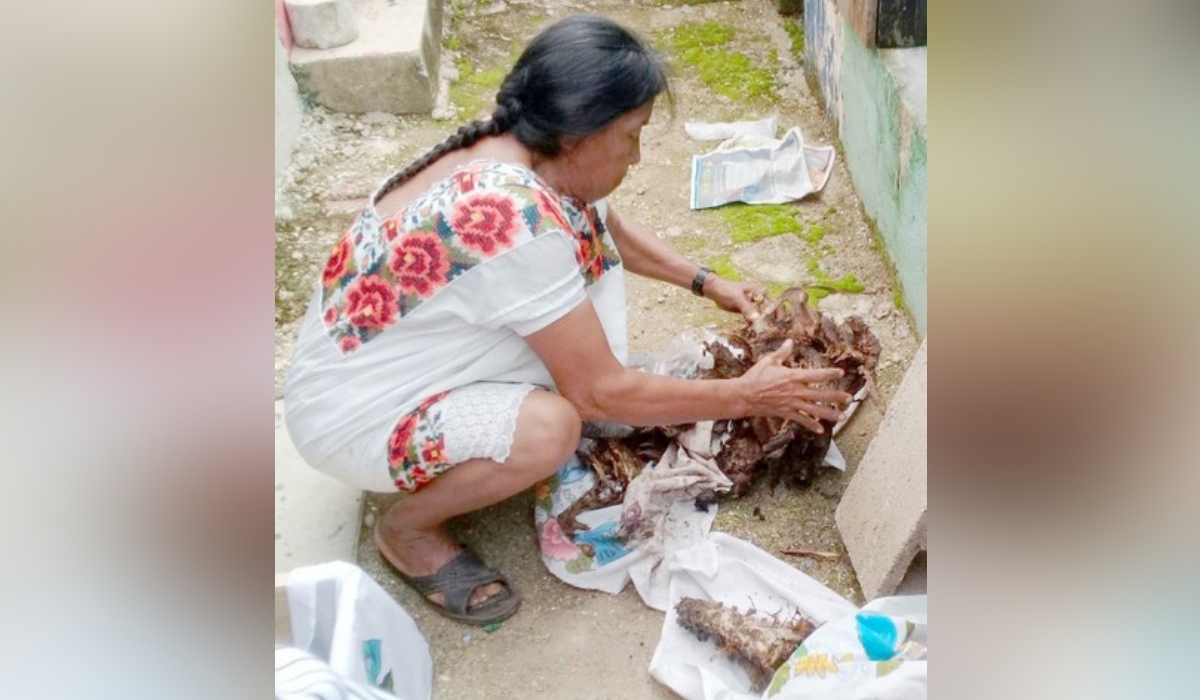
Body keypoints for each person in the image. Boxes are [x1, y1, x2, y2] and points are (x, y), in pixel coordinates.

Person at [285, 14, 851, 626]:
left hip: (368, 366)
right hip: (352, 416)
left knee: (578, 299)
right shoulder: (513, 222)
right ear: (580, 133)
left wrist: (705, 282)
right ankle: (409, 529)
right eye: (631, 136)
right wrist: (744, 396)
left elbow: (601, 220)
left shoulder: (522, 148)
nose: (636, 157)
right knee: (552, 429)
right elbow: (599, 392)